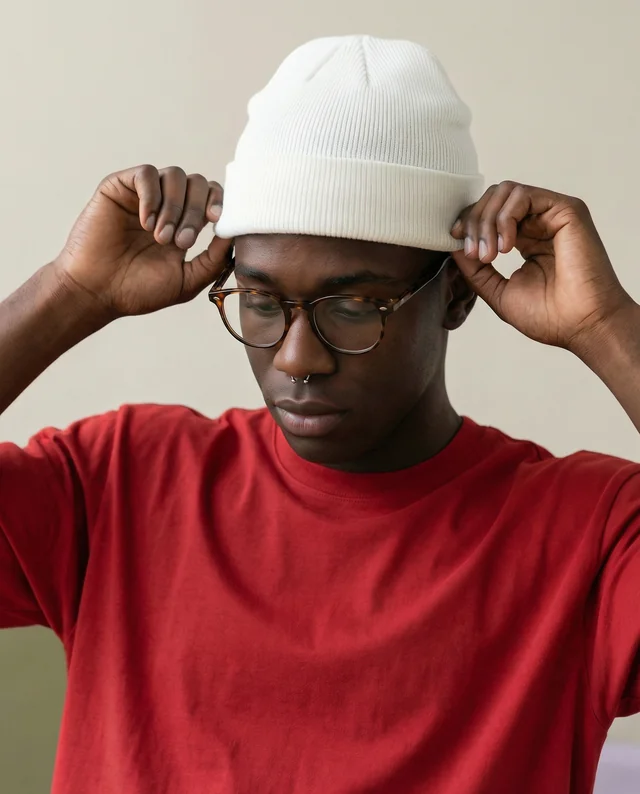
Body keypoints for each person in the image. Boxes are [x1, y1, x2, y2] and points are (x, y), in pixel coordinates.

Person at [0, 33, 638, 794]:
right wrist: (70, 292)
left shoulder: (585, 534)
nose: (298, 357)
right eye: (263, 303)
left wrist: (607, 326)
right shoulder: (120, 482)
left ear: (459, 294)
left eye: (356, 306)